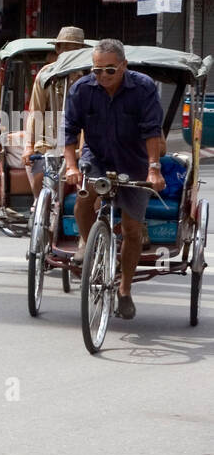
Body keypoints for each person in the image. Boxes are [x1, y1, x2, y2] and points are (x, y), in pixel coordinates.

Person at [61, 39, 165, 321]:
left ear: (123, 66)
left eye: (109, 70)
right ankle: (87, 242)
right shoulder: (82, 90)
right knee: (84, 199)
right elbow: (70, 133)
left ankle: (125, 290)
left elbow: (152, 131)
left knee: (132, 229)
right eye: (96, 71)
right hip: (97, 157)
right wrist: (71, 166)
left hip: (134, 161)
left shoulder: (143, 88)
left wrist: (153, 169)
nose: (102, 77)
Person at [21, 26, 89, 196]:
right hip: (49, 142)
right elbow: (35, 112)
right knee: (40, 179)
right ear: (58, 49)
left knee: (88, 189)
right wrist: (29, 146)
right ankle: (39, 208)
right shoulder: (46, 75)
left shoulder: (90, 77)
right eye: (65, 48)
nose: (70, 53)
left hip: (82, 142)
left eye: (75, 49)